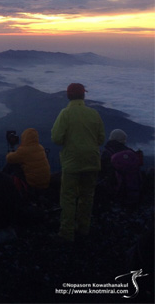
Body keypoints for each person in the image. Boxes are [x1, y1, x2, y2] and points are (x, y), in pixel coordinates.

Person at [51, 83, 105, 242]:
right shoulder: (94, 113)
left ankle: (66, 233)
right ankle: (83, 228)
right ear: (83, 95)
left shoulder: (65, 113)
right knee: (87, 195)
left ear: (68, 96)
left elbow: (56, 138)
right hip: (92, 160)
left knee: (68, 196)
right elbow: (101, 139)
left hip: (72, 162)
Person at [5, 128, 51, 192]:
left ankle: (4, 184)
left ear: (25, 138)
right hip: (45, 183)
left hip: (33, 183)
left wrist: (13, 151)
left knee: (14, 164)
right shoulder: (40, 147)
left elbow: (9, 159)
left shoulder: (24, 150)